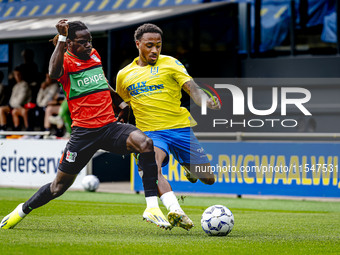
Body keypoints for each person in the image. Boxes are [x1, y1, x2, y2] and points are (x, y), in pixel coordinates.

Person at [1, 20, 170, 230]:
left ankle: (152, 207)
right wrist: (61, 39)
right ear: (70, 43)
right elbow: (53, 73)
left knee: (145, 143)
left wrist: (120, 102)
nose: (89, 45)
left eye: (90, 40)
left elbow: (101, 82)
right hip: (83, 134)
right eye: (83, 42)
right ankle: (21, 210)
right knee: (58, 187)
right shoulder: (65, 61)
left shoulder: (94, 55)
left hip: (109, 126)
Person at [116, 23, 221, 230]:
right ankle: (175, 210)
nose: (154, 50)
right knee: (151, 169)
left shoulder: (171, 63)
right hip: (151, 133)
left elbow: (192, 88)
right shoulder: (124, 75)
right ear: (138, 44)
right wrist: (121, 119)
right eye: (149, 45)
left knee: (208, 178)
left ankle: (188, 169)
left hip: (180, 128)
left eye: (158, 45)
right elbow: (125, 103)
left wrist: (205, 101)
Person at [0, 66, 32, 131]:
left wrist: (11, 105)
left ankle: (18, 130)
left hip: (23, 107)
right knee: (1, 109)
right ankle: (3, 129)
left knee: (15, 111)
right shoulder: (15, 85)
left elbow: (19, 101)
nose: (17, 76)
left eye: (18, 74)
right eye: (15, 75)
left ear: (22, 75)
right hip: (13, 106)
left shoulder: (24, 85)